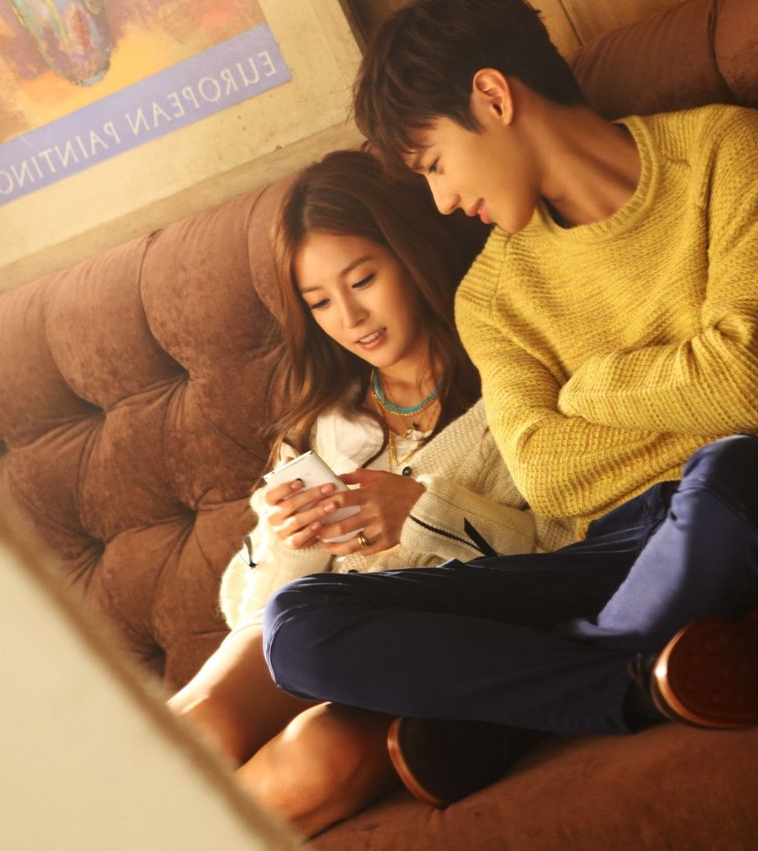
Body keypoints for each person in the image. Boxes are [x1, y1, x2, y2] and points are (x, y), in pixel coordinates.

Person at [261, 0, 758, 807]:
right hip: (607, 548)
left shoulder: (731, 151)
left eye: (436, 164)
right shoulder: (492, 295)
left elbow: (746, 383)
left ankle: (522, 710)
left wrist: (587, 386)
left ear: (493, 98)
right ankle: (636, 683)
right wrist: (718, 381)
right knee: (301, 623)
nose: (443, 200)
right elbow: (550, 476)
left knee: (733, 472)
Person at [167, 149, 574, 836]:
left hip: (423, 640)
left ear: (410, 255)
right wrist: (287, 539)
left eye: (363, 279)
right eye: (320, 302)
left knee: (315, 764)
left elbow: (570, 555)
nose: (351, 317)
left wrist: (426, 515)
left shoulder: (510, 385)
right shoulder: (319, 423)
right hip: (308, 631)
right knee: (193, 727)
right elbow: (249, 607)